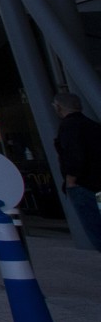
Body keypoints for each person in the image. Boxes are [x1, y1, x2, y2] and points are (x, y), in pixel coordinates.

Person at [52, 92, 101, 251]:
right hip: (97, 183)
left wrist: (71, 180)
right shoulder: (92, 125)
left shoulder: (68, 127)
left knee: (95, 226)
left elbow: (74, 154)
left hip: (83, 185)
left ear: (59, 107)